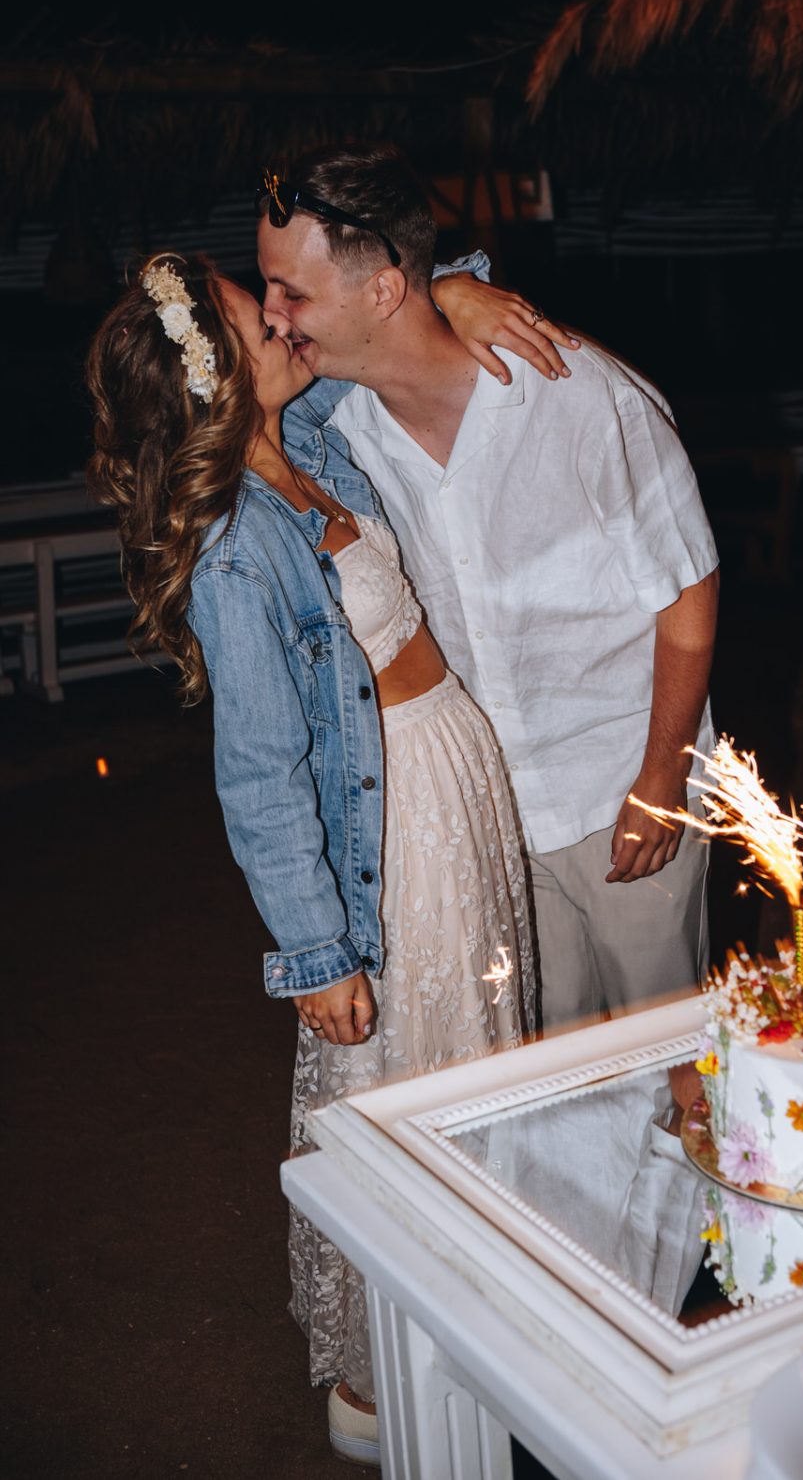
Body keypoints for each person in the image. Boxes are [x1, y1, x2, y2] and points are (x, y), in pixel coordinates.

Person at [84, 250, 568, 1463]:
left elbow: (389, 299)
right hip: (388, 822)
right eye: (264, 323)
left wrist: (452, 290)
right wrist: (315, 952)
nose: (293, 323)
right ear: (218, 384)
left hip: (452, 777)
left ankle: (475, 1311)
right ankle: (384, 1367)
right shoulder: (237, 554)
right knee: (409, 1079)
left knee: (478, 1052)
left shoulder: (322, 436)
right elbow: (260, 775)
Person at [258, 146, 721, 1035]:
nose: (276, 317)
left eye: (293, 293)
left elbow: (687, 585)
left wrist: (662, 776)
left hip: (619, 792)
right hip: (489, 818)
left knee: (675, 1076)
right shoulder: (338, 433)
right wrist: (459, 283)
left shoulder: (577, 395)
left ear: (385, 293)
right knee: (549, 1082)